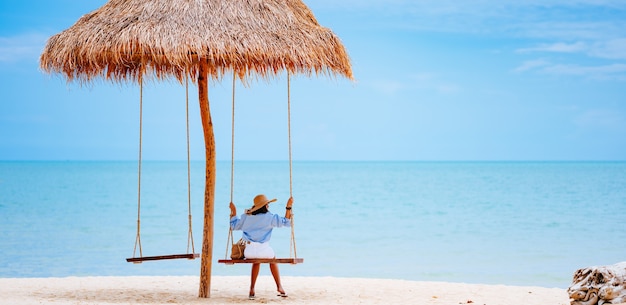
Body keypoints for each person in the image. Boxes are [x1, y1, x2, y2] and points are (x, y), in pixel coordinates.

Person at [229, 194, 294, 300]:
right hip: (264, 250)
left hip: (248, 252)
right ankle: (279, 286)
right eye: (268, 204)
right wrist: (288, 207)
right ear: (265, 206)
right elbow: (286, 222)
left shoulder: (246, 217)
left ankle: (252, 288)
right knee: (272, 260)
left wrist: (234, 211)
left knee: (256, 261)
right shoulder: (270, 217)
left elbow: (233, 226)